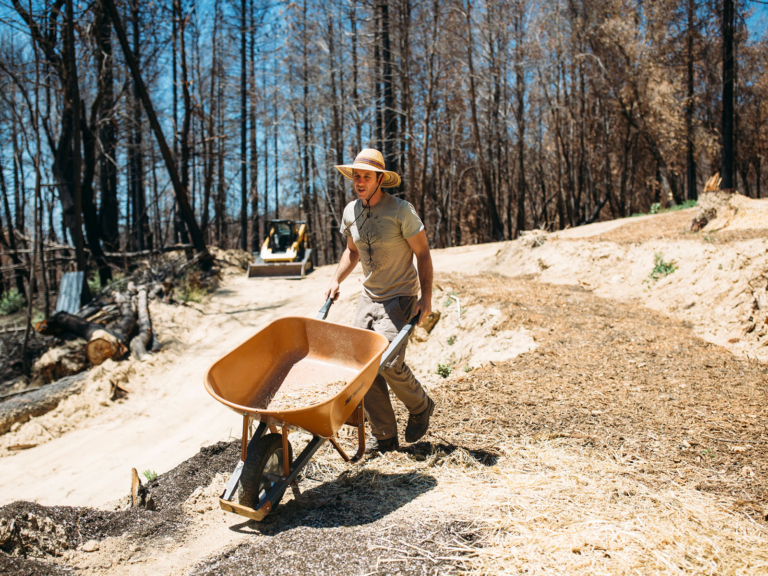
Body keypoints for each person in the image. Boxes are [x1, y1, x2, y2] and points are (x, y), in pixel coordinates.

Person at [324, 148, 435, 454]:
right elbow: (352, 251)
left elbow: (423, 253)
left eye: (366, 176)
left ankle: (420, 404)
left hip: (399, 297)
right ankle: (385, 435)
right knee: (363, 367)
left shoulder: (401, 211)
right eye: (356, 176)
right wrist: (336, 279)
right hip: (368, 297)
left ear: (380, 179)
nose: (359, 181)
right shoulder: (351, 212)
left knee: (388, 362)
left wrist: (426, 298)